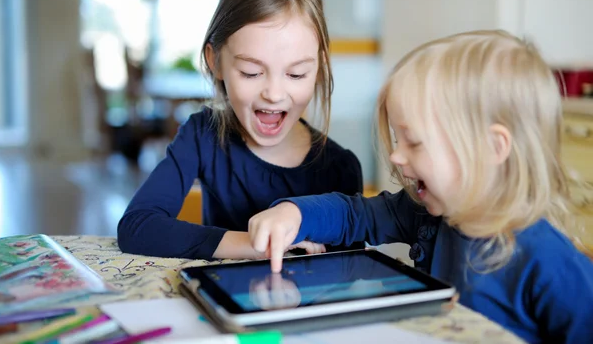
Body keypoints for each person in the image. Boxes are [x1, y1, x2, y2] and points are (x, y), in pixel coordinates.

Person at [248, 30, 593, 343]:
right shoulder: (423, 214)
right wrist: (293, 213)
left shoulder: (550, 264)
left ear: (491, 148)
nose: (397, 156)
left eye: (413, 142)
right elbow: (356, 214)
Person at [117, 0, 364, 261]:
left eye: (296, 74)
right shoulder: (203, 135)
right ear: (215, 61)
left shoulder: (341, 167)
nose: (273, 93)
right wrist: (254, 245)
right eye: (252, 72)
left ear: (319, 69)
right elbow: (137, 227)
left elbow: (349, 270)